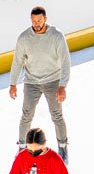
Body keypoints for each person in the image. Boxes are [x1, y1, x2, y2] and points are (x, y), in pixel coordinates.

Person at [8, 9, 69, 159]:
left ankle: (63, 147)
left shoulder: (56, 36)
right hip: (31, 82)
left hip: (53, 80)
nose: (36, 24)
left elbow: (65, 61)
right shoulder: (24, 37)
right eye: (33, 21)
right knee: (26, 115)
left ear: (45, 19)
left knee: (56, 115)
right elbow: (17, 61)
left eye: (39, 21)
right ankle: (22, 147)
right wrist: (13, 83)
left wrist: (62, 85)